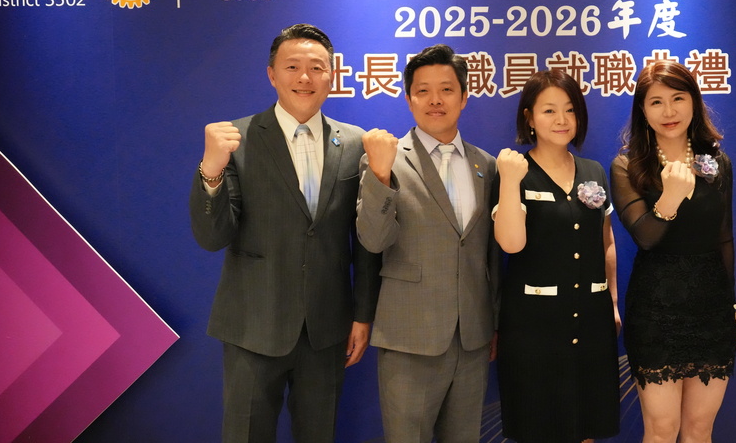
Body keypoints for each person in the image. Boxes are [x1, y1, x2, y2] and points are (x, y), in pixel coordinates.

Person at [189, 23, 381, 443]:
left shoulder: (355, 143)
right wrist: (211, 170)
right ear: (271, 74)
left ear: (332, 75)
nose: (304, 77)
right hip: (252, 325)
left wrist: (363, 313)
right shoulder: (235, 139)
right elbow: (211, 237)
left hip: (327, 328)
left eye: (317, 67)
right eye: (292, 66)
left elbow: (366, 242)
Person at [355, 43, 499, 443]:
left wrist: (494, 321)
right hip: (409, 337)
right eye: (423, 90)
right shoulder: (385, 160)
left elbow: (489, 255)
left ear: (464, 97)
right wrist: (380, 177)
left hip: (472, 338)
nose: (435, 100)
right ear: (408, 98)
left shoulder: (486, 165)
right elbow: (373, 240)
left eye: (447, 89)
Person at [610, 60, 736, 443]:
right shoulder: (627, 166)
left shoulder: (717, 163)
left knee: (699, 429)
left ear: (693, 101)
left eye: (678, 98)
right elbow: (646, 237)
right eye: (656, 102)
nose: (669, 111)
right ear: (642, 110)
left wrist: (731, 305)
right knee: (662, 429)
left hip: (711, 309)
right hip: (656, 311)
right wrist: (670, 197)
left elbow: (725, 238)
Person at [493, 70, 621, 443]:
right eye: (549, 110)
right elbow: (510, 244)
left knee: (587, 424)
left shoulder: (593, 171)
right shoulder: (515, 171)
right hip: (534, 326)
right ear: (529, 117)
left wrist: (612, 301)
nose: (561, 119)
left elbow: (606, 242)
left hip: (592, 320)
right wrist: (510, 181)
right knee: (540, 424)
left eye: (570, 109)